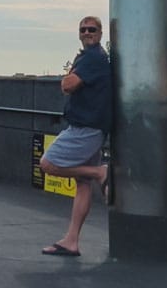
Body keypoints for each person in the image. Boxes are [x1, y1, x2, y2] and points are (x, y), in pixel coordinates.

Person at [38, 14, 112, 257]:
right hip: (92, 128)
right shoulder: (93, 57)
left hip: (85, 129)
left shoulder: (92, 58)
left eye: (92, 29)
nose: (87, 32)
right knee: (82, 185)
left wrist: (69, 76)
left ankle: (100, 172)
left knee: (48, 163)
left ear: (100, 34)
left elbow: (68, 85)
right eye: (83, 29)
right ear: (79, 34)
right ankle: (72, 241)